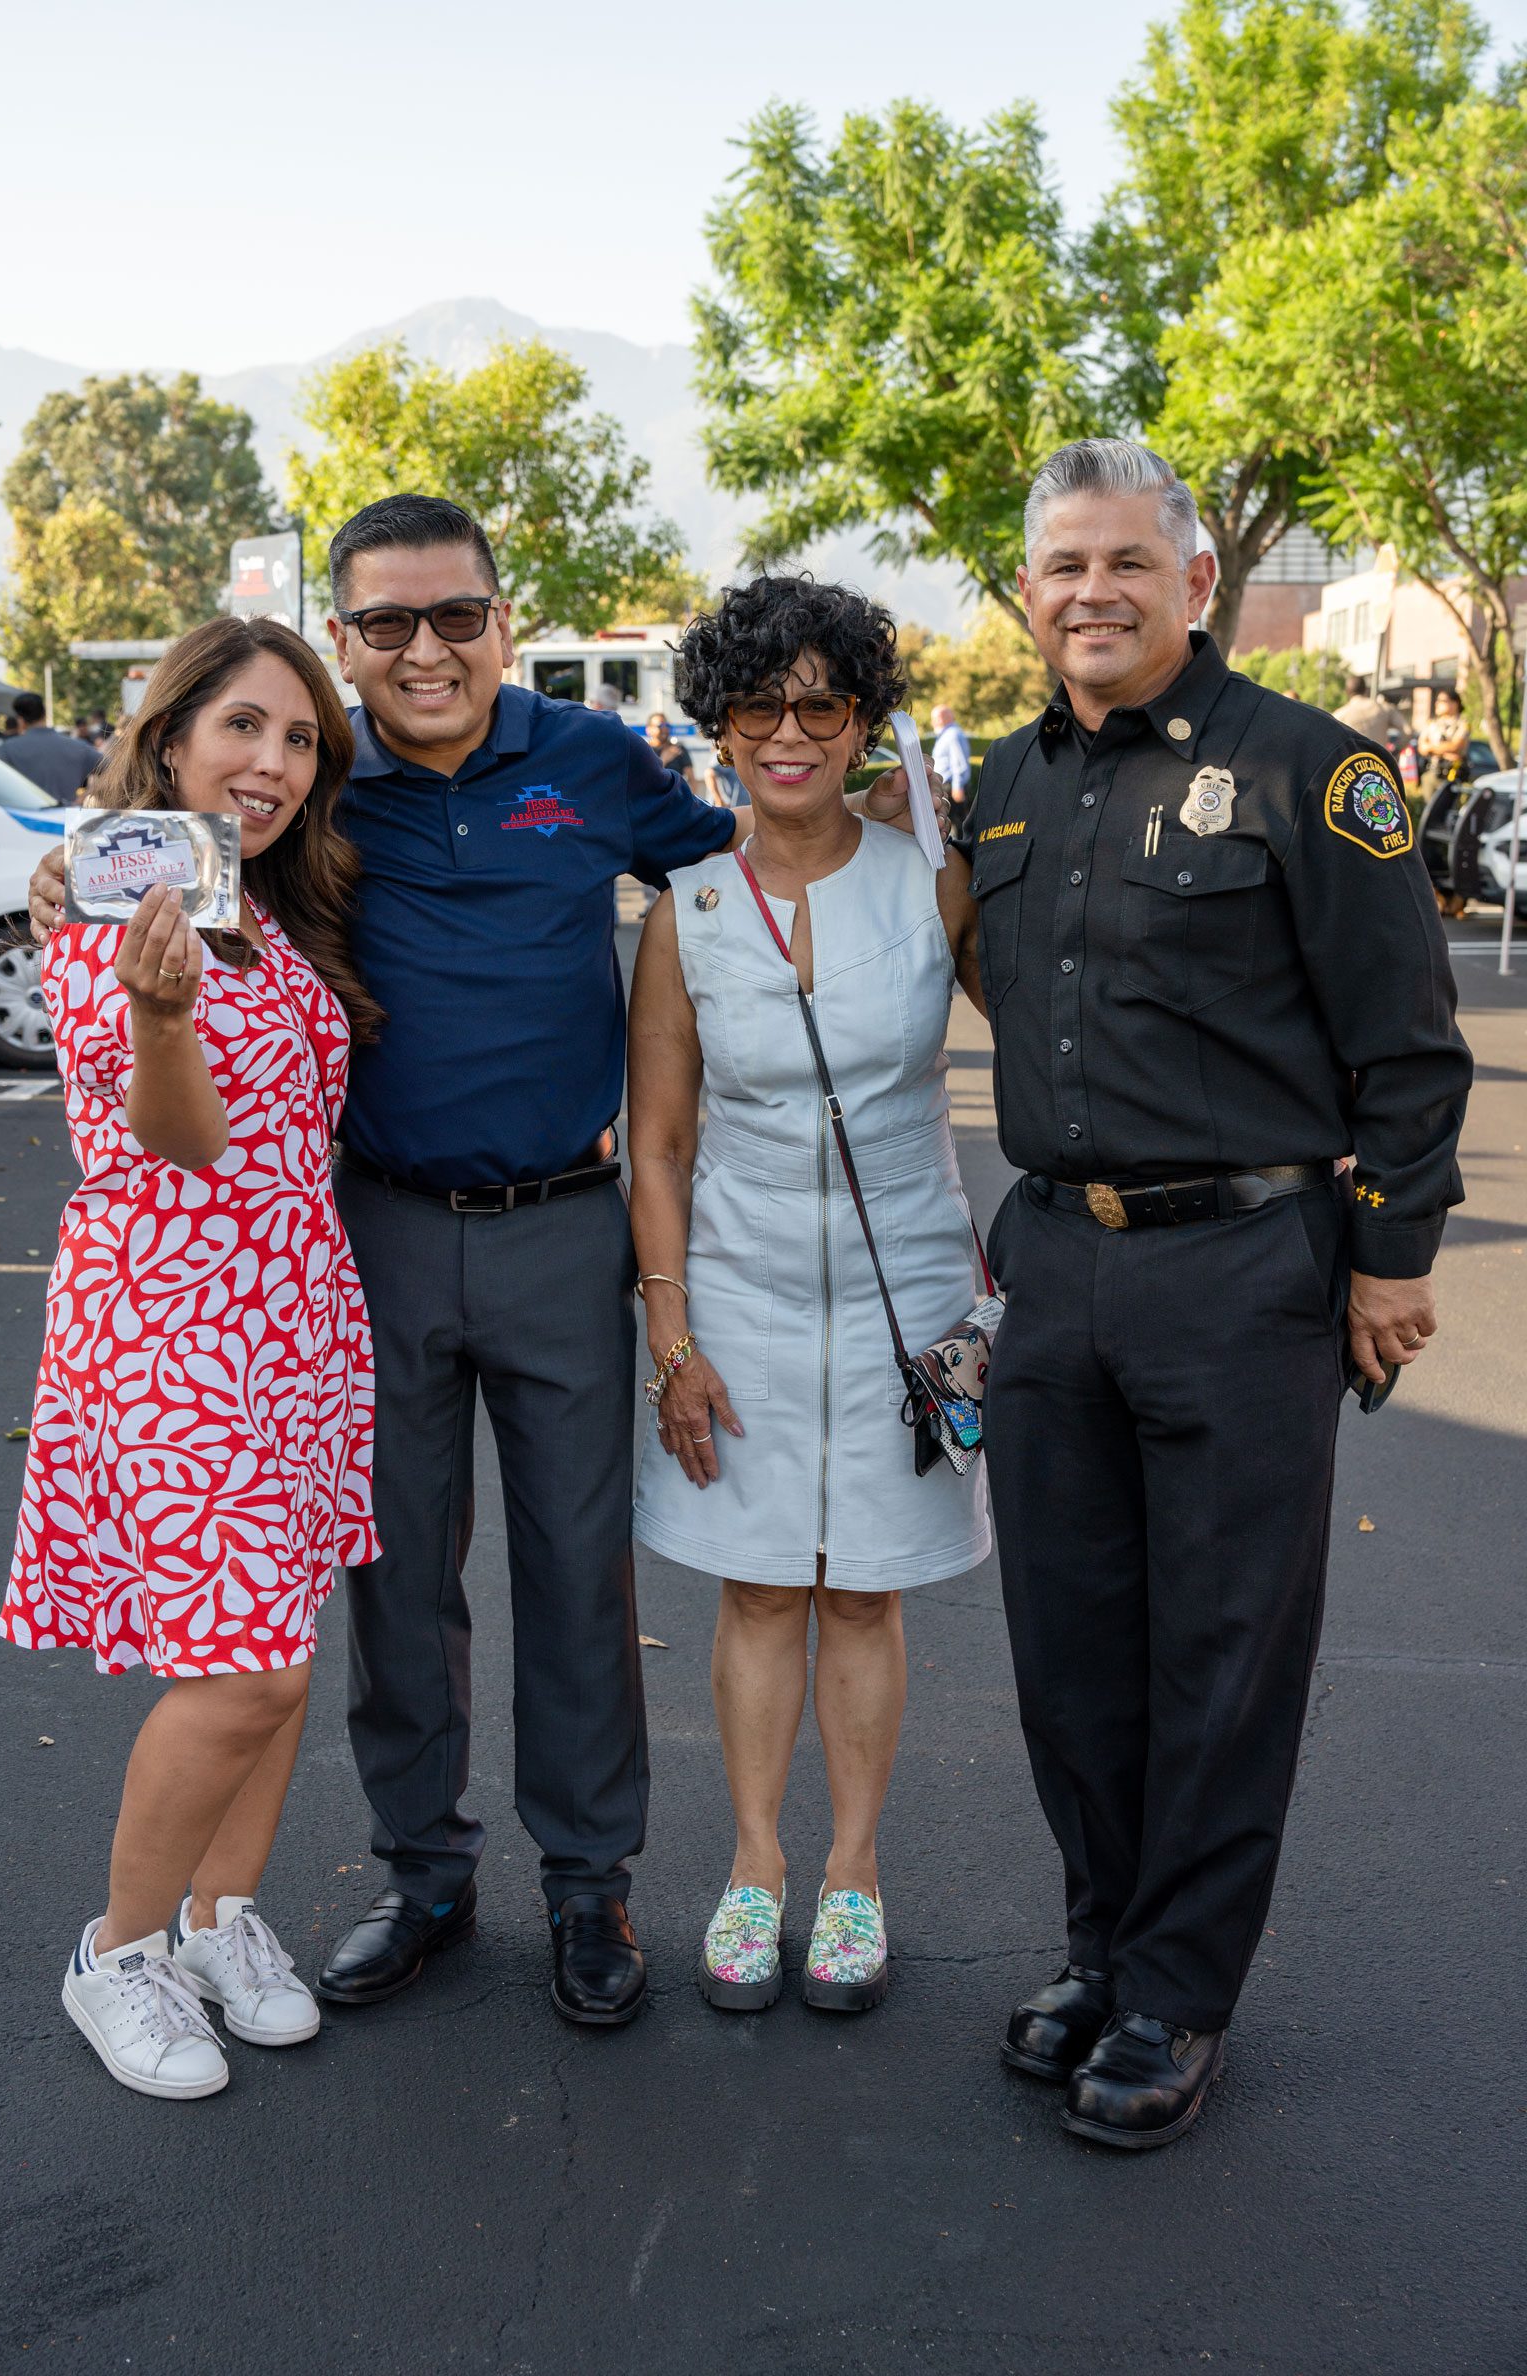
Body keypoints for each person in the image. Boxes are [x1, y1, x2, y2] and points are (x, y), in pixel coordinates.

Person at [32, 499, 937, 2030]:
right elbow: (167, 879)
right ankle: (424, 1873)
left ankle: (591, 1888)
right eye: (385, 624)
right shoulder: (312, 789)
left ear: (502, 620)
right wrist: (72, 879)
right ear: (347, 639)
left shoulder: (591, 764)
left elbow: (762, 852)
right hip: (369, 1237)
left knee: (583, 1579)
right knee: (399, 1588)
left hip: (567, 1232)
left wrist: (922, 841)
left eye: (455, 615)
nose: (424, 649)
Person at [958, 439, 1471, 2149]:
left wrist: (1389, 1257)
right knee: (1067, 1645)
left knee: (1220, 1651)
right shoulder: (1003, 785)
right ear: (1024, 594)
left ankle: (1176, 1994)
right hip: (1051, 1257)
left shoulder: (1307, 774)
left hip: (1241, 1265)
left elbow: (1405, 1044)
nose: (1087, 591)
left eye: (1122, 561)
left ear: (1190, 582)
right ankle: (1099, 1945)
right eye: (1058, 566)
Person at [2, 616, 383, 2100]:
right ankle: (119, 1952)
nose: (273, 763)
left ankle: (224, 1919)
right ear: (169, 737)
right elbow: (176, 1134)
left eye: (298, 740)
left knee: (280, 1663)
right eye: (243, 727)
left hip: (291, 1325)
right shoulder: (114, 906)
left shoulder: (262, 906)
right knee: (241, 1671)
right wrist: (165, 1014)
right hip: (176, 1328)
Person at [630, 578, 987, 2017]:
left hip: (917, 1296)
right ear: (718, 727)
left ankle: (853, 1870)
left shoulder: (935, 885)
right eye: (759, 704)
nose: (790, 731)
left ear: (864, 723)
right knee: (767, 1579)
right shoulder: (688, 912)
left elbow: (1049, 1040)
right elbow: (655, 1139)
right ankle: (756, 1865)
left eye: (822, 703)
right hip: (742, 1291)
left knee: (866, 1594)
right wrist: (673, 1335)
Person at [0, 691, 101, 800]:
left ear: (20, 720)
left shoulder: (7, 750)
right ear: (45, 714)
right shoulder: (79, 747)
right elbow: (112, 770)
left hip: (23, 815)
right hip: (66, 814)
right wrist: (82, 798)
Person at [1333, 674, 1404, 743]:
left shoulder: (1339, 716)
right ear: (1365, 689)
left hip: (1352, 754)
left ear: (1347, 692)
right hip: (1379, 754)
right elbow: (1407, 730)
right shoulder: (1385, 708)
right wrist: (1397, 750)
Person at [931, 704, 973, 808]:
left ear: (941, 718)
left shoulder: (953, 735)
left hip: (951, 788)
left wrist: (958, 787)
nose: (932, 722)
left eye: (934, 719)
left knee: (956, 822)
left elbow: (959, 762)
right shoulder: (946, 735)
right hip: (946, 787)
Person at [645, 709, 695, 783]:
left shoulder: (679, 749)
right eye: (660, 726)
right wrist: (663, 760)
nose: (664, 729)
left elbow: (691, 779)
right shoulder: (644, 751)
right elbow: (646, 779)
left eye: (667, 725)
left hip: (676, 794)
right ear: (649, 730)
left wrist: (689, 794)